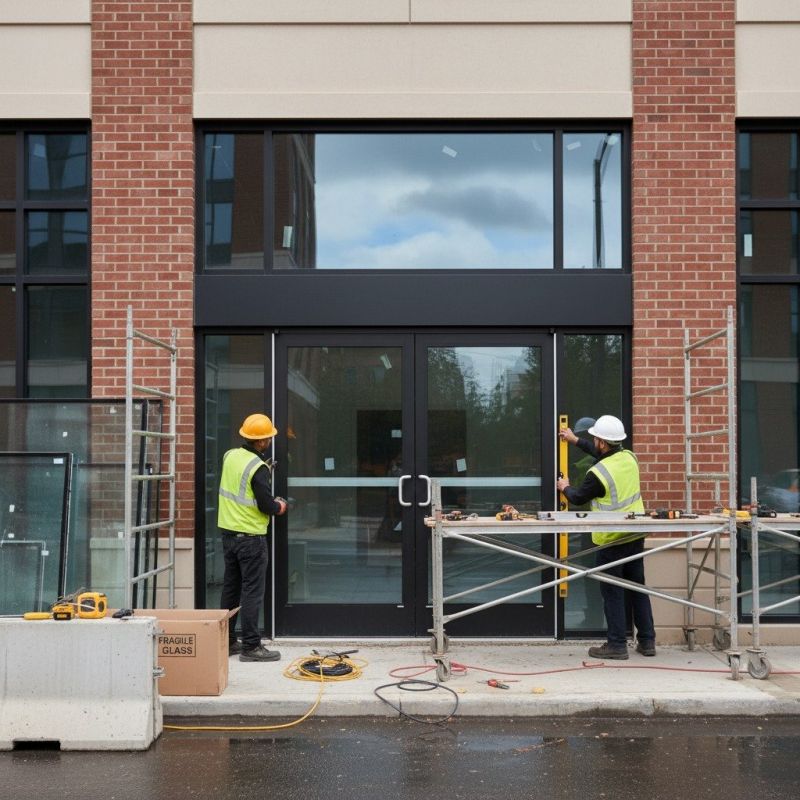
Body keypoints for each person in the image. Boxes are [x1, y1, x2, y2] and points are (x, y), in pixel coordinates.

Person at [556, 414, 656, 660]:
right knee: (636, 588)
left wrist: (564, 487)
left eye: (595, 439)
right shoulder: (629, 457)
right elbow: (602, 454)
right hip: (634, 535)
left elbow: (578, 497)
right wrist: (575, 440)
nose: (594, 443)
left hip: (611, 540)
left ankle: (617, 644)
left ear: (602, 442)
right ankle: (647, 641)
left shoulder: (597, 473)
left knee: (612, 592)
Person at [218, 413, 287, 662]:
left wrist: (264, 469)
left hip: (229, 536)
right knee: (252, 592)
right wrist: (280, 506)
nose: (269, 440)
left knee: (231, 589)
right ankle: (251, 646)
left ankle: (226, 642)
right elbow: (266, 506)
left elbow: (240, 483)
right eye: (267, 438)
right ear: (260, 442)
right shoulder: (257, 467)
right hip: (251, 538)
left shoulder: (230, 456)